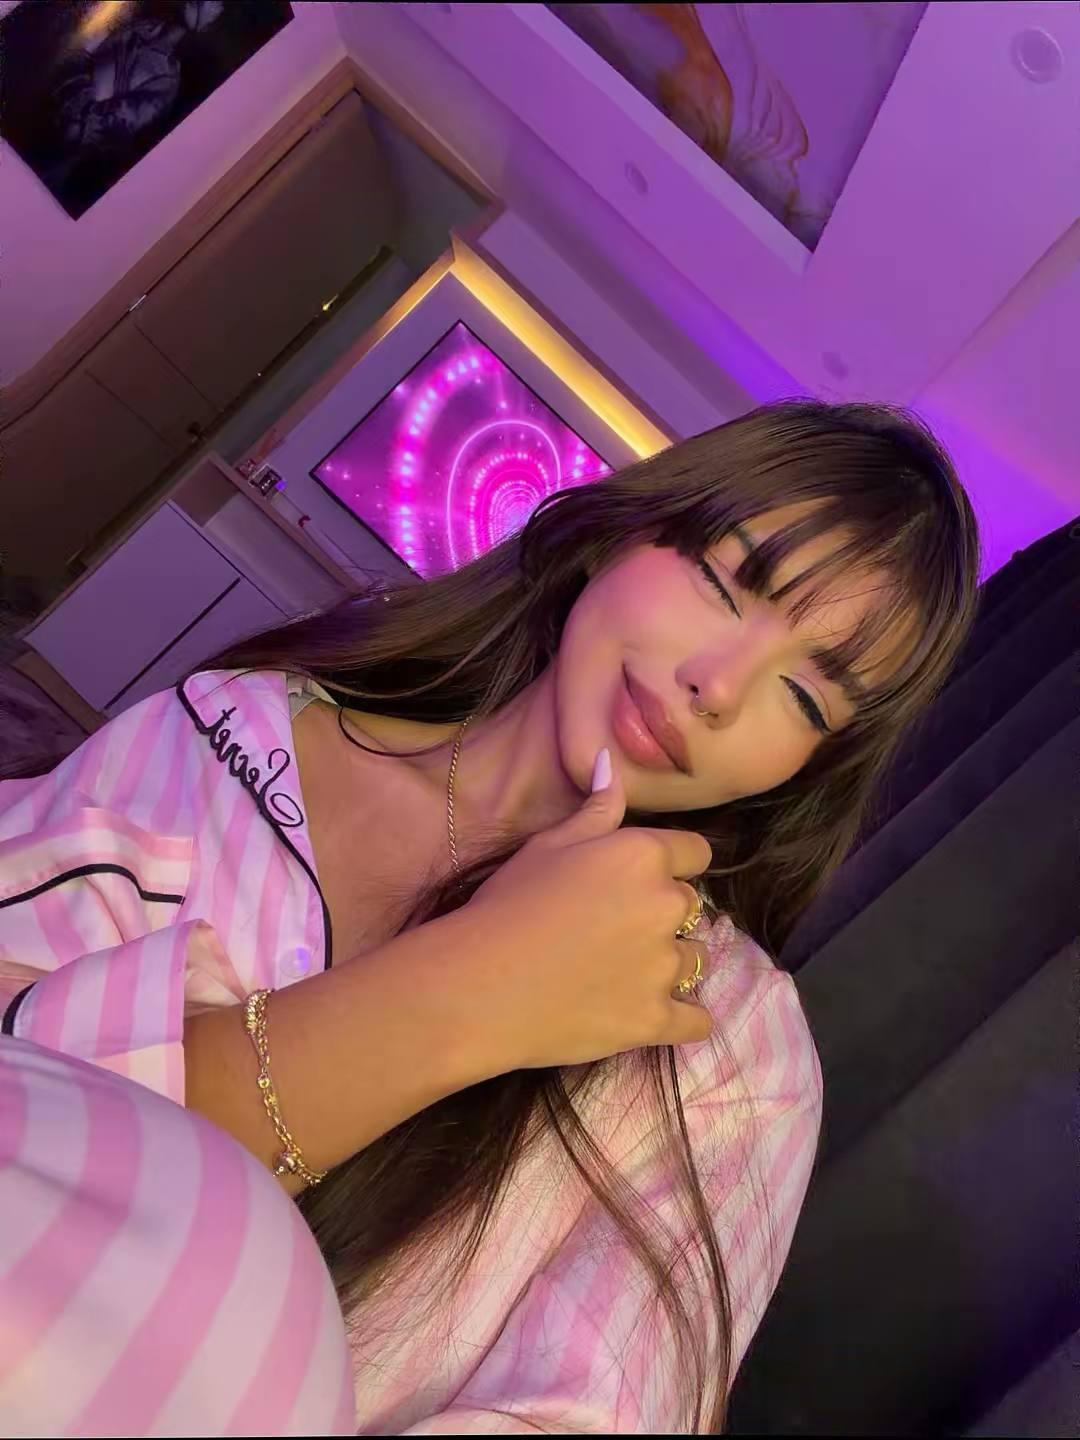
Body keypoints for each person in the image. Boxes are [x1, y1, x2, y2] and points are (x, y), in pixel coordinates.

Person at [0, 399, 981, 1434]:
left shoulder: (728, 1038)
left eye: (808, 700)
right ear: (626, 531)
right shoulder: (233, 728)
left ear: (809, 771)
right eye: (724, 580)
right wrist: (471, 987)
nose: (717, 687)